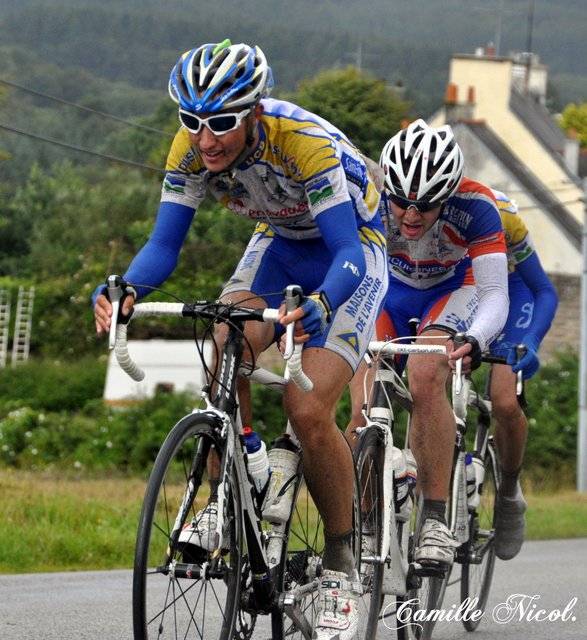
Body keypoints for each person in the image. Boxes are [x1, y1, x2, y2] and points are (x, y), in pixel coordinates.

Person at [93, 39, 388, 639]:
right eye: (192, 121)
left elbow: (347, 252)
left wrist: (322, 304)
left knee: (307, 410)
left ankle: (340, 567)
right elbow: (164, 246)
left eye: (222, 123)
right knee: (224, 333)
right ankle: (245, 466)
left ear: (254, 111)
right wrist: (129, 288)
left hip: (349, 252)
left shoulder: (302, 144)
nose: (206, 140)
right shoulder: (191, 150)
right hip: (278, 241)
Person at [348, 119, 509, 569]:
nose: (411, 216)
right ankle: (360, 518)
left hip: (450, 293)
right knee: (361, 399)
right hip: (387, 291)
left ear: (449, 195)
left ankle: (435, 517)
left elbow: (496, 294)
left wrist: (476, 336)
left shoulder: (477, 206)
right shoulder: (368, 194)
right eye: (401, 203)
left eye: (426, 205)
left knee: (424, 376)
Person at [488, 190, 558, 560]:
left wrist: (529, 341)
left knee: (503, 397)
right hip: (464, 287)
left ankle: (509, 491)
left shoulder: (503, 215)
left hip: (515, 291)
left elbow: (545, 290)